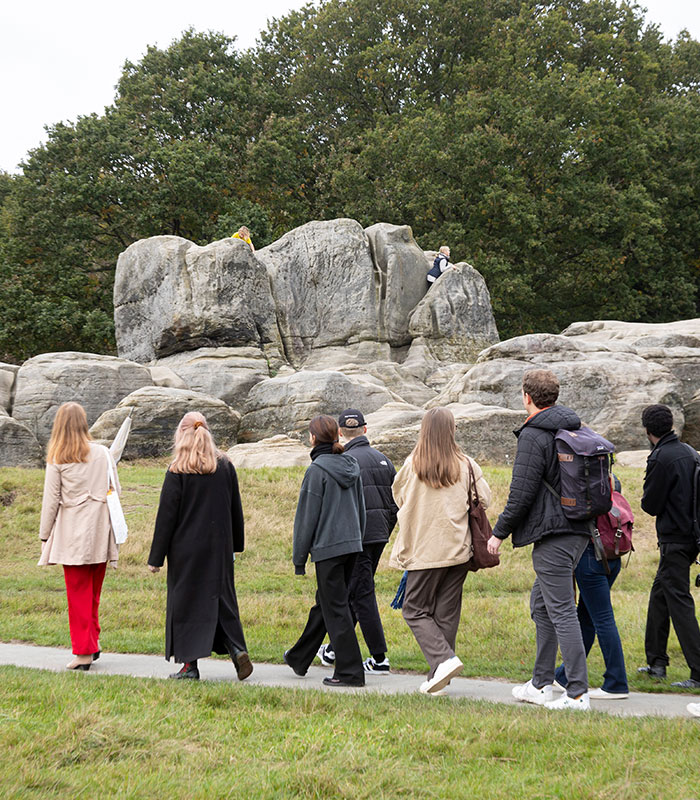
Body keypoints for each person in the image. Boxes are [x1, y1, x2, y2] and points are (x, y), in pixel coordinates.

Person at [487, 368, 592, 711]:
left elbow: (522, 492)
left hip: (554, 533)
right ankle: (541, 684)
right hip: (578, 529)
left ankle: (577, 693)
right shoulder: (574, 426)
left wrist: (498, 533)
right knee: (542, 606)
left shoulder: (535, 434)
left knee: (561, 610)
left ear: (526, 397)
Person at [389, 407, 491, 694]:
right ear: (452, 430)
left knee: (414, 609)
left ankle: (443, 661)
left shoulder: (413, 464)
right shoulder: (467, 464)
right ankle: (440, 675)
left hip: (424, 549)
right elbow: (485, 498)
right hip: (459, 548)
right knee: (446, 612)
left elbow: (397, 496)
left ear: (424, 430)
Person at [147, 412, 251, 682]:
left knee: (185, 607)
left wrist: (156, 558)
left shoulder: (177, 469)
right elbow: (234, 509)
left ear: (181, 434)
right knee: (221, 601)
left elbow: (166, 518)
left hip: (185, 553)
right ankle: (236, 648)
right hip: (219, 550)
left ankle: (189, 667)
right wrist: (236, 544)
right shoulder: (225, 466)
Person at [284, 415, 366, 687]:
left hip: (329, 549)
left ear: (313, 438)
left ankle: (350, 672)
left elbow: (306, 519)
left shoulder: (317, 470)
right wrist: (358, 540)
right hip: (353, 545)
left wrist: (299, 560)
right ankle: (299, 657)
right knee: (327, 604)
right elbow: (361, 509)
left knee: (336, 608)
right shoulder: (351, 464)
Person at [38, 402, 120, 671]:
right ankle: (92, 643)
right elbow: (115, 489)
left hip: (73, 534)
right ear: (85, 423)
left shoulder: (58, 457)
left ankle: (84, 652)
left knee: (78, 595)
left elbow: (51, 500)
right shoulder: (103, 453)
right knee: (93, 593)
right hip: (100, 531)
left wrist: (44, 534)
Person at [316, 409, 398, 674]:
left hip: (356, 538)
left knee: (361, 593)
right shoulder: (385, 460)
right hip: (380, 535)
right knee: (356, 589)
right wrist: (386, 528)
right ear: (365, 429)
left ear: (340, 432)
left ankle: (379, 657)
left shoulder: (345, 461)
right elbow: (396, 502)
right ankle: (332, 648)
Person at [637, 404, 700, 689]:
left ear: (647, 430)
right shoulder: (689, 452)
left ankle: (698, 670)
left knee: (679, 601)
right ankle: (656, 662)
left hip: (673, 538)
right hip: (691, 537)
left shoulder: (661, 458)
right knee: (660, 595)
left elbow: (650, 505)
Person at [553, 476, 630, 700]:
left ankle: (616, 683)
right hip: (612, 555)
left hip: (590, 557)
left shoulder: (582, 483)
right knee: (586, 618)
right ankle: (565, 675)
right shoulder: (612, 479)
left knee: (602, 619)